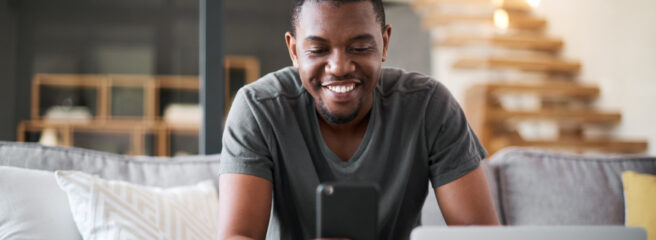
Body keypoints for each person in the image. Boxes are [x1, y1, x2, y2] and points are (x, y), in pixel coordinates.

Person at [216, 0, 500, 239]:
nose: (339, 67)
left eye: (360, 47)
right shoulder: (258, 109)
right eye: (317, 50)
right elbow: (238, 236)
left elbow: (478, 234)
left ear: (384, 42)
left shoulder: (429, 106)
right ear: (294, 51)